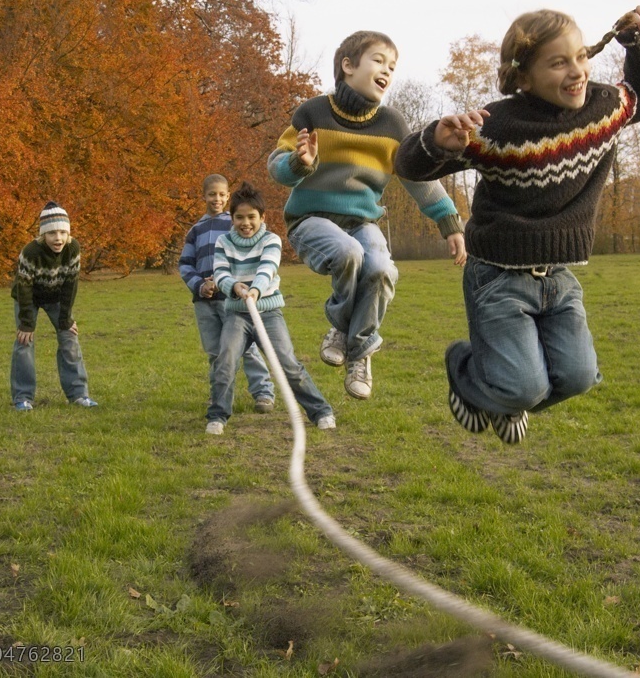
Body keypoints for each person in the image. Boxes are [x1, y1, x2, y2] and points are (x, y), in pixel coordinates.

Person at [395, 6, 640, 444]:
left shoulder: (603, 107)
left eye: (580, 57)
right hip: (497, 276)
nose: (576, 71)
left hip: (559, 275)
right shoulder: (497, 126)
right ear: (523, 77)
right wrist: (437, 143)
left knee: (579, 377)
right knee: (527, 385)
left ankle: (502, 395)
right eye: (558, 63)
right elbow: (408, 165)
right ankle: (475, 372)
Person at [268, 30, 466, 401]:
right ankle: (350, 336)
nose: (387, 71)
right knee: (349, 254)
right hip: (311, 220)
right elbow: (276, 167)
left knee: (382, 268)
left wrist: (449, 221)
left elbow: (416, 177)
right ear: (348, 66)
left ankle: (355, 346)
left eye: (392, 66)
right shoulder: (313, 112)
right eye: (379, 60)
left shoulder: (392, 124)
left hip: (362, 223)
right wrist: (299, 161)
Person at [206, 182, 335, 435]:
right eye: (239, 217)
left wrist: (255, 289)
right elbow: (220, 273)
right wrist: (235, 287)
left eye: (251, 217)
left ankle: (321, 411)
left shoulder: (271, 240)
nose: (246, 223)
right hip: (237, 313)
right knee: (225, 362)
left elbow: (268, 268)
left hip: (268, 313)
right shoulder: (223, 242)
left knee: (288, 364)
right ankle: (218, 415)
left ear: (262, 217)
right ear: (231, 219)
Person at [179, 173, 276, 414]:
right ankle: (220, 396)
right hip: (204, 301)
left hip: (232, 300)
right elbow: (185, 264)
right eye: (212, 194)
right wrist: (200, 285)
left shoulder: (233, 225)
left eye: (222, 194)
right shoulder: (196, 230)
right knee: (215, 352)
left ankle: (263, 392)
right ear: (203, 196)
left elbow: (247, 257)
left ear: (228, 196)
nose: (217, 199)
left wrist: (227, 282)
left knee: (246, 348)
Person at [9, 201, 98, 411]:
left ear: (68, 234)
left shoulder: (72, 249)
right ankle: (23, 397)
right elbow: (24, 288)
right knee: (24, 342)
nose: (57, 238)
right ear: (43, 235)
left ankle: (78, 394)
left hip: (57, 297)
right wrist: (26, 324)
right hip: (28, 298)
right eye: (51, 233)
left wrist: (65, 319)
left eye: (62, 233)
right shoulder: (30, 252)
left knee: (70, 338)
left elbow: (70, 285)